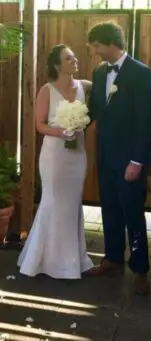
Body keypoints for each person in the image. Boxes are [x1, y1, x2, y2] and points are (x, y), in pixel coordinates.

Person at [83, 23, 151, 297]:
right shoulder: (100, 73)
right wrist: (74, 123)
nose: (94, 52)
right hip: (106, 156)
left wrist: (137, 161)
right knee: (110, 210)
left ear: (111, 43)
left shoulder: (142, 73)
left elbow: (146, 121)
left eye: (96, 46)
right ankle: (112, 259)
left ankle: (140, 269)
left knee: (134, 215)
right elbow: (96, 110)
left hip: (130, 159)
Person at [17, 45, 95, 279]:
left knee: (72, 203)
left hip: (77, 154)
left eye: (74, 56)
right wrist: (61, 132)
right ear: (56, 65)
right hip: (54, 155)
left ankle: (73, 259)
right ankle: (46, 260)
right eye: (68, 58)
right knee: (52, 201)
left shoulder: (85, 86)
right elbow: (39, 125)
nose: (74, 60)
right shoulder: (47, 90)